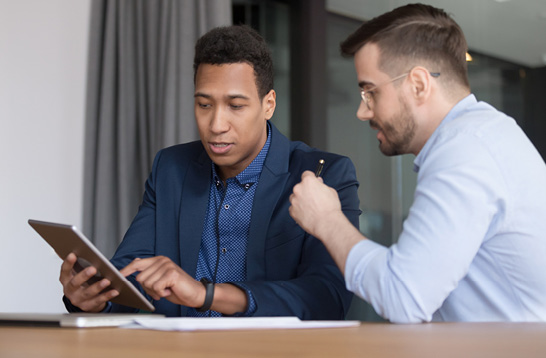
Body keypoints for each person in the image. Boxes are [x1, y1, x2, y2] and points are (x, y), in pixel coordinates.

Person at [60, 25, 360, 319]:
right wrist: (94, 297)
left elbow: (327, 297)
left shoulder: (324, 174)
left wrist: (206, 295)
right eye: (204, 104)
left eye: (236, 106)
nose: (216, 125)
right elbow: (131, 268)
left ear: (268, 104)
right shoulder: (171, 168)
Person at [289, 3, 546, 323]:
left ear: (419, 84)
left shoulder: (465, 152)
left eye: (370, 92)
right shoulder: (482, 137)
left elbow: (404, 296)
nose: (362, 111)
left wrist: (327, 220)